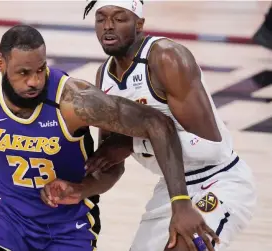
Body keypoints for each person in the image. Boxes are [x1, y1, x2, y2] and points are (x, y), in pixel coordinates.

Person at [0, 24, 191, 251]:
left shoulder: (76, 101)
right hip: (3, 222)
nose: (34, 81)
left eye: (40, 69)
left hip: (68, 228)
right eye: (23, 72)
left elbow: (156, 125)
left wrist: (180, 202)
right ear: (0, 64)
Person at [44, 1, 255, 251]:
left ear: (139, 24)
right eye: (101, 19)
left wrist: (132, 142)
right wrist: (81, 189)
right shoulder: (105, 76)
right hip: (171, 186)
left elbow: (212, 149)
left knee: (185, 246)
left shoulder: (166, 57)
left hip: (219, 180)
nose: (108, 27)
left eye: (119, 18)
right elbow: (111, 165)